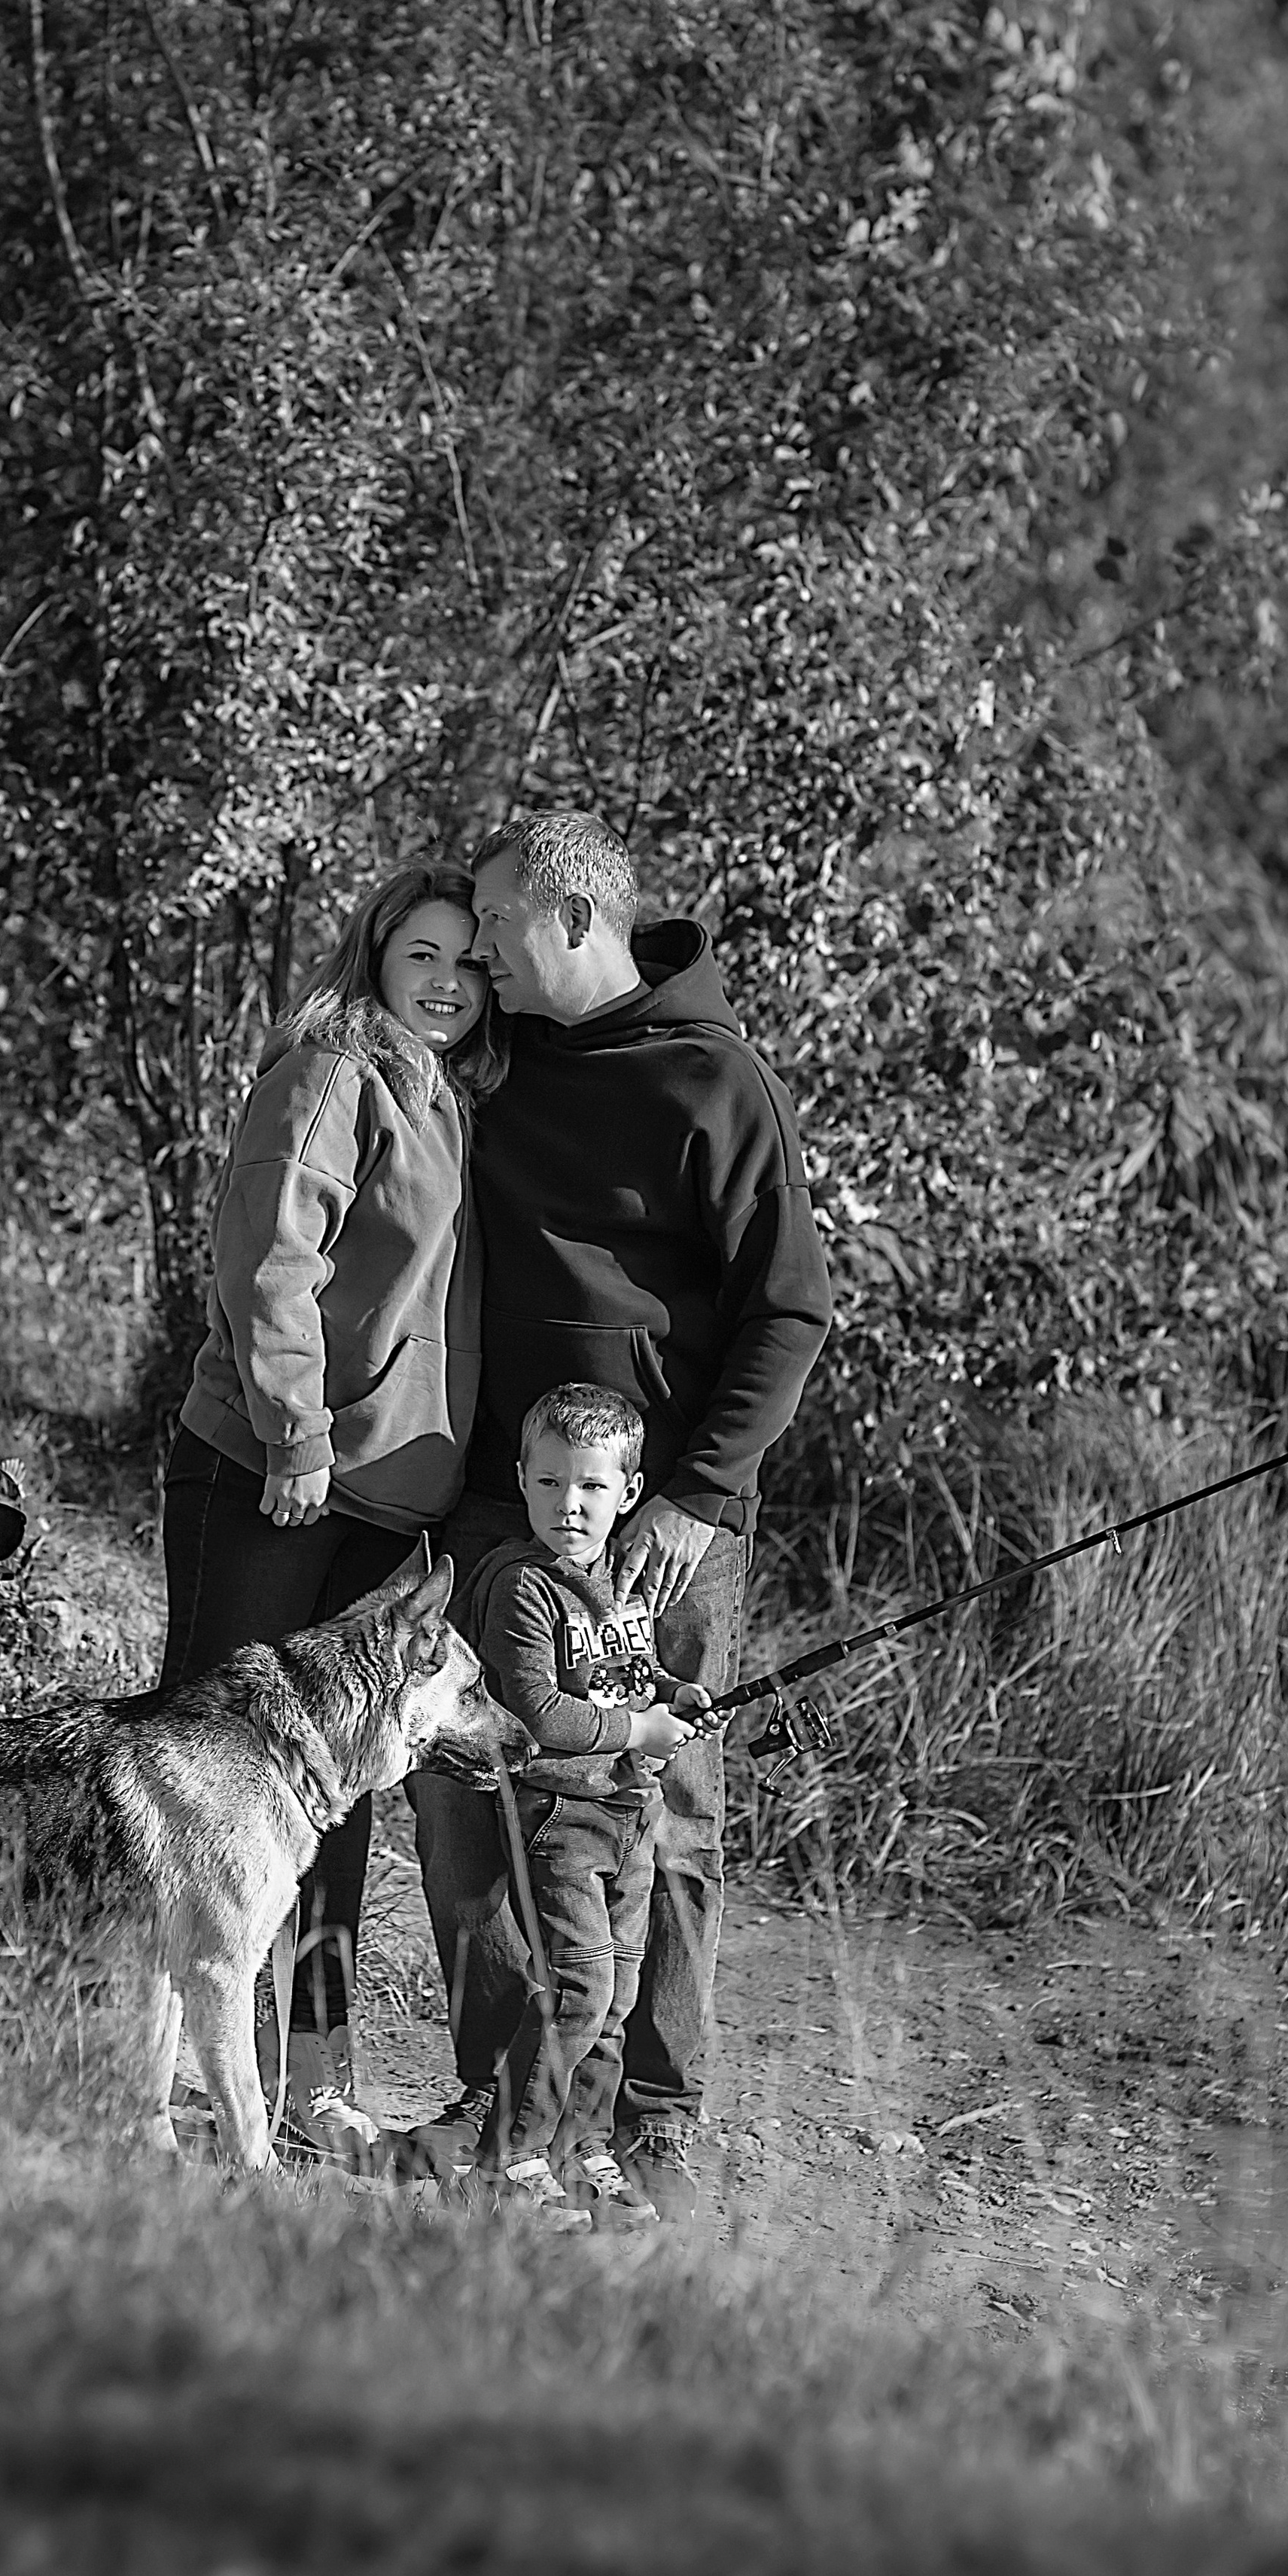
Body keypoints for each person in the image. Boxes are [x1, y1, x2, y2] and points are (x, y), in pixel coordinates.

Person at [407, 809, 832, 2218]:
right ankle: (506, 2104)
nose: (481, 960)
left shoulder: (715, 1083)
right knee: (475, 1793)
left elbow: (789, 1313)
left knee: (660, 1813)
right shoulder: (502, 1059)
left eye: (500, 932)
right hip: (493, 1509)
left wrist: (701, 1501)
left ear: (574, 922)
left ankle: (651, 2124)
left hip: (658, 1533)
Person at [160, 859, 504, 2156]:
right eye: (423, 954)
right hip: (270, 1474)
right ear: (375, 954)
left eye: (471, 963)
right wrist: (295, 1430)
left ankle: (306, 2080)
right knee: (208, 1782)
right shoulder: (333, 1074)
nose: (448, 982)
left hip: (385, 1505)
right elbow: (269, 1262)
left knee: (330, 1803)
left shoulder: (457, 1102)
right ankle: (160, 2050)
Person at [464, 1383, 725, 2230]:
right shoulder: (521, 1586)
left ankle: (581, 2147)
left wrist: (675, 1698)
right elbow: (541, 1710)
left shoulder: (624, 1576)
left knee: (616, 1997)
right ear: (521, 1479)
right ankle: (512, 2157)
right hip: (560, 1819)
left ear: (630, 1493)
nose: (566, 1506)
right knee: (579, 1986)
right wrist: (637, 1727)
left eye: (588, 1488)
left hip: (632, 1814)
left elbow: (629, 1675)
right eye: (547, 1484)